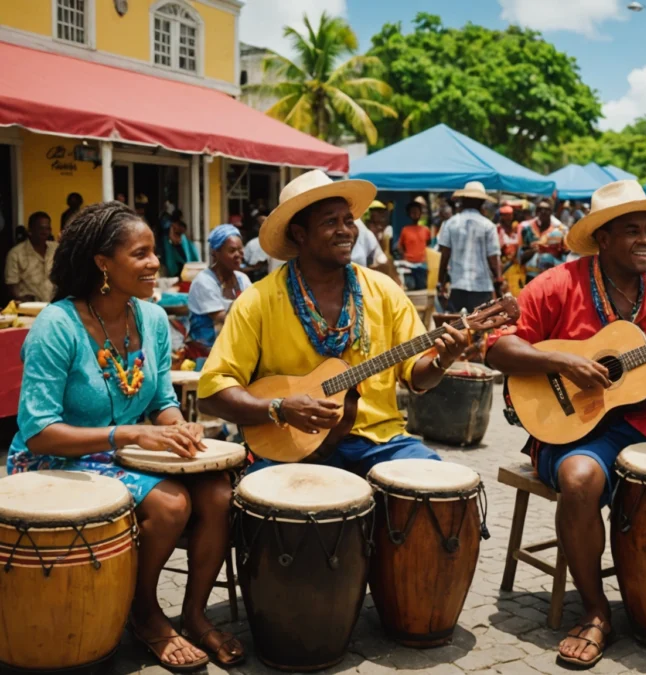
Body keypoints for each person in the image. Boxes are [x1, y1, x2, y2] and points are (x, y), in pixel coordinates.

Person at [487, 179, 646, 670]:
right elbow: (496, 347)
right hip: (578, 427)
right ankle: (596, 610)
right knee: (580, 481)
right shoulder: (559, 283)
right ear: (602, 238)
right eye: (632, 231)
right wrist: (562, 362)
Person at [7, 202, 242, 669]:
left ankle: (193, 614)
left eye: (154, 251)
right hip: (56, 460)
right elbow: (38, 432)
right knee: (172, 502)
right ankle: (146, 612)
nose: (156, 263)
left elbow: (160, 402)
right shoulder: (58, 325)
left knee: (217, 492)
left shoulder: (152, 321)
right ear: (103, 264)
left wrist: (181, 429)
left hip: (123, 454)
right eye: (141, 253)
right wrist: (128, 435)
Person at [198, 170, 470, 476]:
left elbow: (417, 378)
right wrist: (280, 408)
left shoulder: (384, 291)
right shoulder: (258, 300)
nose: (345, 231)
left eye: (348, 221)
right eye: (330, 222)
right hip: (291, 448)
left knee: (441, 487)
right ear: (300, 234)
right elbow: (211, 393)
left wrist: (441, 361)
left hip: (380, 440)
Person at [437, 181, 504, 313]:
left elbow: (444, 255)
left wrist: (441, 282)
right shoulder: (488, 225)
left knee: (455, 327)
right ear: (481, 202)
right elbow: (493, 258)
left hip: (457, 285)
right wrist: (498, 281)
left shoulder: (450, 223)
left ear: (463, 200)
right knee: (482, 328)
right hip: (481, 286)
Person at [187, 224, 252, 353]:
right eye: (232, 250)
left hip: (233, 349)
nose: (238, 255)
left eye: (240, 249)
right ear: (215, 253)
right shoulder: (204, 282)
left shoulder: (242, 279)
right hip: (206, 352)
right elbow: (223, 319)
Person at [5, 211, 57, 302]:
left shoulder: (56, 249)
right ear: (30, 231)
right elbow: (11, 286)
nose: (44, 232)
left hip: (55, 306)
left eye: (47, 228)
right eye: (41, 228)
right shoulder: (16, 253)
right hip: (28, 309)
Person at [519, 199, 569, 283]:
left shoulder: (559, 232)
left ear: (551, 212)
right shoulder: (527, 230)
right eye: (540, 209)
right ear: (536, 211)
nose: (543, 212)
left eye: (546, 210)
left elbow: (565, 254)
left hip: (550, 278)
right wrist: (535, 250)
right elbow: (520, 257)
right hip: (530, 277)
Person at [396, 200, 431, 291]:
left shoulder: (426, 230)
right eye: (412, 212)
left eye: (417, 211)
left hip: (422, 265)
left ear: (420, 213)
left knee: (423, 288)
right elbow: (399, 246)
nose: (415, 214)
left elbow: (428, 245)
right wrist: (404, 256)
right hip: (409, 265)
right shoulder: (405, 230)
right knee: (411, 289)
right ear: (409, 214)